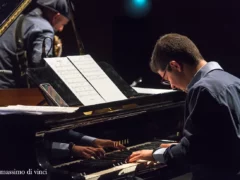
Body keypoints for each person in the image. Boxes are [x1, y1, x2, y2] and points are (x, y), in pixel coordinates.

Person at [128, 33, 240, 180]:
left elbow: (193, 151)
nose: (173, 86)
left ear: (175, 66)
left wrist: (153, 154)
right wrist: (177, 149)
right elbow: (216, 140)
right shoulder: (233, 81)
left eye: (166, 79)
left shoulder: (202, 89)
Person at [0, 0, 70, 88]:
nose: (61, 29)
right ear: (56, 17)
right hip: (9, 92)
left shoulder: (14, 18)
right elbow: (41, 68)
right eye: (62, 23)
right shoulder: (44, 28)